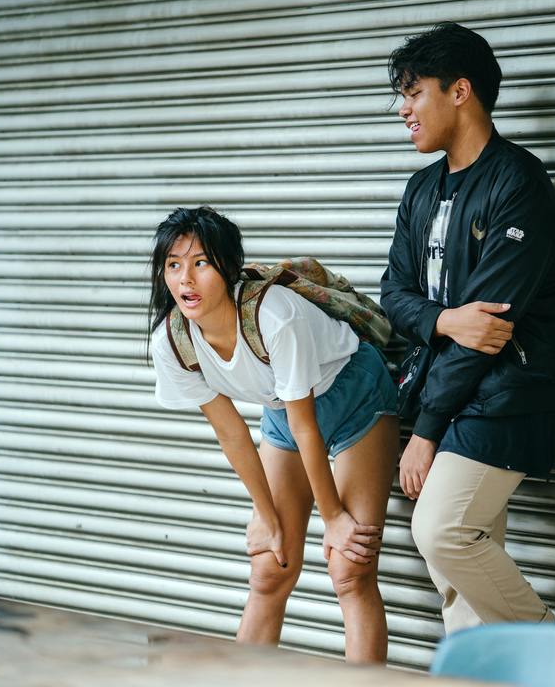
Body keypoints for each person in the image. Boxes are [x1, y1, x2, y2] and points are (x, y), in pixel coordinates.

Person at [380, 22, 555, 633]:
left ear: (460, 90)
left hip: (508, 396)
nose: (402, 109)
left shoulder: (517, 182)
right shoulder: (422, 189)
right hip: (448, 389)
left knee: (442, 531)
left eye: (414, 93)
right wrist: (443, 318)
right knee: (459, 585)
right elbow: (394, 295)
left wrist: (427, 432)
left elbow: (488, 331)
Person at [148, 206, 399, 663]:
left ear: (226, 267)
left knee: (350, 568)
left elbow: (309, 428)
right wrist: (266, 516)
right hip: (284, 412)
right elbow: (231, 433)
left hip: (353, 394)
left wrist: (335, 518)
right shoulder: (172, 340)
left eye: (201, 263)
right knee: (270, 567)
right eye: (174, 264)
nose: (186, 279)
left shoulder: (274, 314)